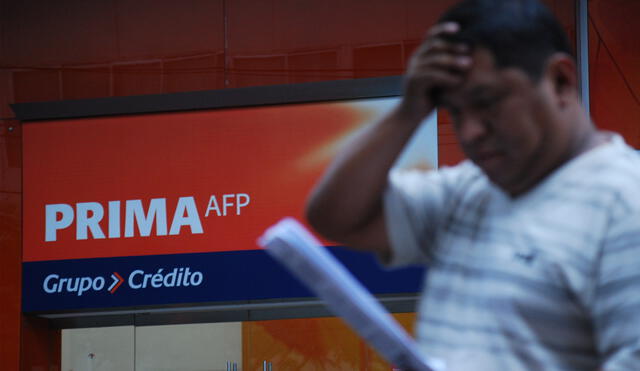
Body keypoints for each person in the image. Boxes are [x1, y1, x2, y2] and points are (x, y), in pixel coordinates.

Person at [305, 0, 640, 369]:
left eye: (488, 102)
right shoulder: (468, 191)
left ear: (560, 80)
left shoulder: (626, 205)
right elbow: (336, 218)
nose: (470, 131)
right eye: (455, 110)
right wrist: (409, 109)